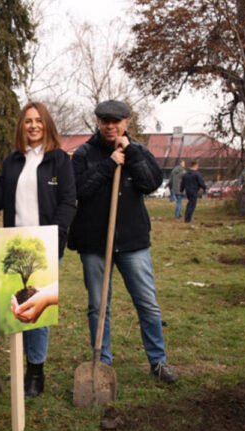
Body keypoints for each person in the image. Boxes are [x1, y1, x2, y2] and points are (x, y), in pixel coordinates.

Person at [68, 100, 178, 384]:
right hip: (95, 243)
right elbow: (79, 191)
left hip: (132, 243)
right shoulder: (83, 154)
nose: (110, 126)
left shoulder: (138, 151)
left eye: (116, 121)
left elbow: (151, 183)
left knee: (147, 303)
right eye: (105, 120)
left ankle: (158, 360)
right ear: (98, 122)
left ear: (127, 122)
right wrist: (108, 165)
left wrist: (130, 153)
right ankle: (102, 361)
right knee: (98, 305)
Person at [0, 102, 76, 398]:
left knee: (40, 312)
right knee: (18, 308)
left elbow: (69, 201)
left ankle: (36, 371)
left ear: (47, 124)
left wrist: (56, 236)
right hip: (15, 244)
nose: (33, 126)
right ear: (21, 126)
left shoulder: (58, 160)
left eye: (38, 121)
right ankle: (19, 362)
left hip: (45, 243)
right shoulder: (13, 161)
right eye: (27, 121)